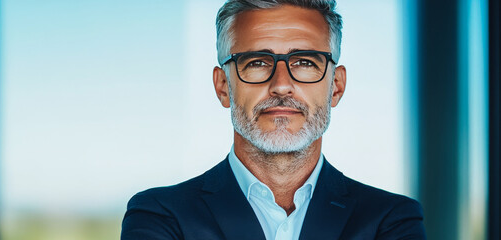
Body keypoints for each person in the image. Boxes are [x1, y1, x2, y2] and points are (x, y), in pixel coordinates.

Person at [121, 0, 426, 239]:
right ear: (223, 86)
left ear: (336, 86)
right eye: (256, 62)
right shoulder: (160, 216)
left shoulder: (392, 219)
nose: (281, 84)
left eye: (305, 62)